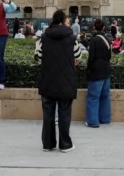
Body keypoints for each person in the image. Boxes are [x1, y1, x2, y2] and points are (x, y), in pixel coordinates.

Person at [34, 9, 81, 152]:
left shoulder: (43, 37)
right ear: (63, 21)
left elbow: (38, 56)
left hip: (48, 80)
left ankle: (47, 144)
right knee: (64, 114)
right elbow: (78, 57)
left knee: (48, 114)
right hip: (66, 81)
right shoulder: (72, 38)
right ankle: (65, 144)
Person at [86, 18, 111, 128]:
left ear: (94, 28)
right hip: (106, 70)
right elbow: (109, 56)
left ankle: (93, 121)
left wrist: (89, 70)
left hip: (96, 71)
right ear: (104, 28)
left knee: (93, 97)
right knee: (105, 97)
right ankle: (105, 119)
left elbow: (91, 58)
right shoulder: (108, 40)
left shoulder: (93, 40)